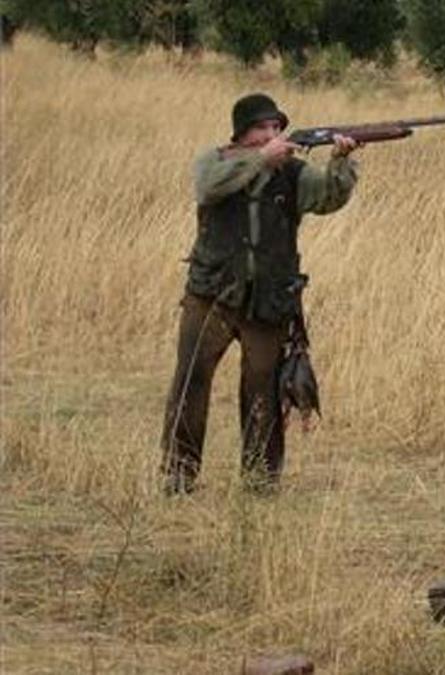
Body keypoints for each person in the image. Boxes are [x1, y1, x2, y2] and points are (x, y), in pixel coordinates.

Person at [161, 92, 359, 494]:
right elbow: (208, 189)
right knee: (191, 382)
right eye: (263, 128)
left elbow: (328, 198)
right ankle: (179, 476)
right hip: (212, 293)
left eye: (277, 128)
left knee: (264, 391)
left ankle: (260, 481)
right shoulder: (213, 162)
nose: (273, 135)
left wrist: (340, 162)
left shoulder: (292, 173)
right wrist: (260, 160)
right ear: (242, 133)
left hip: (269, 298)